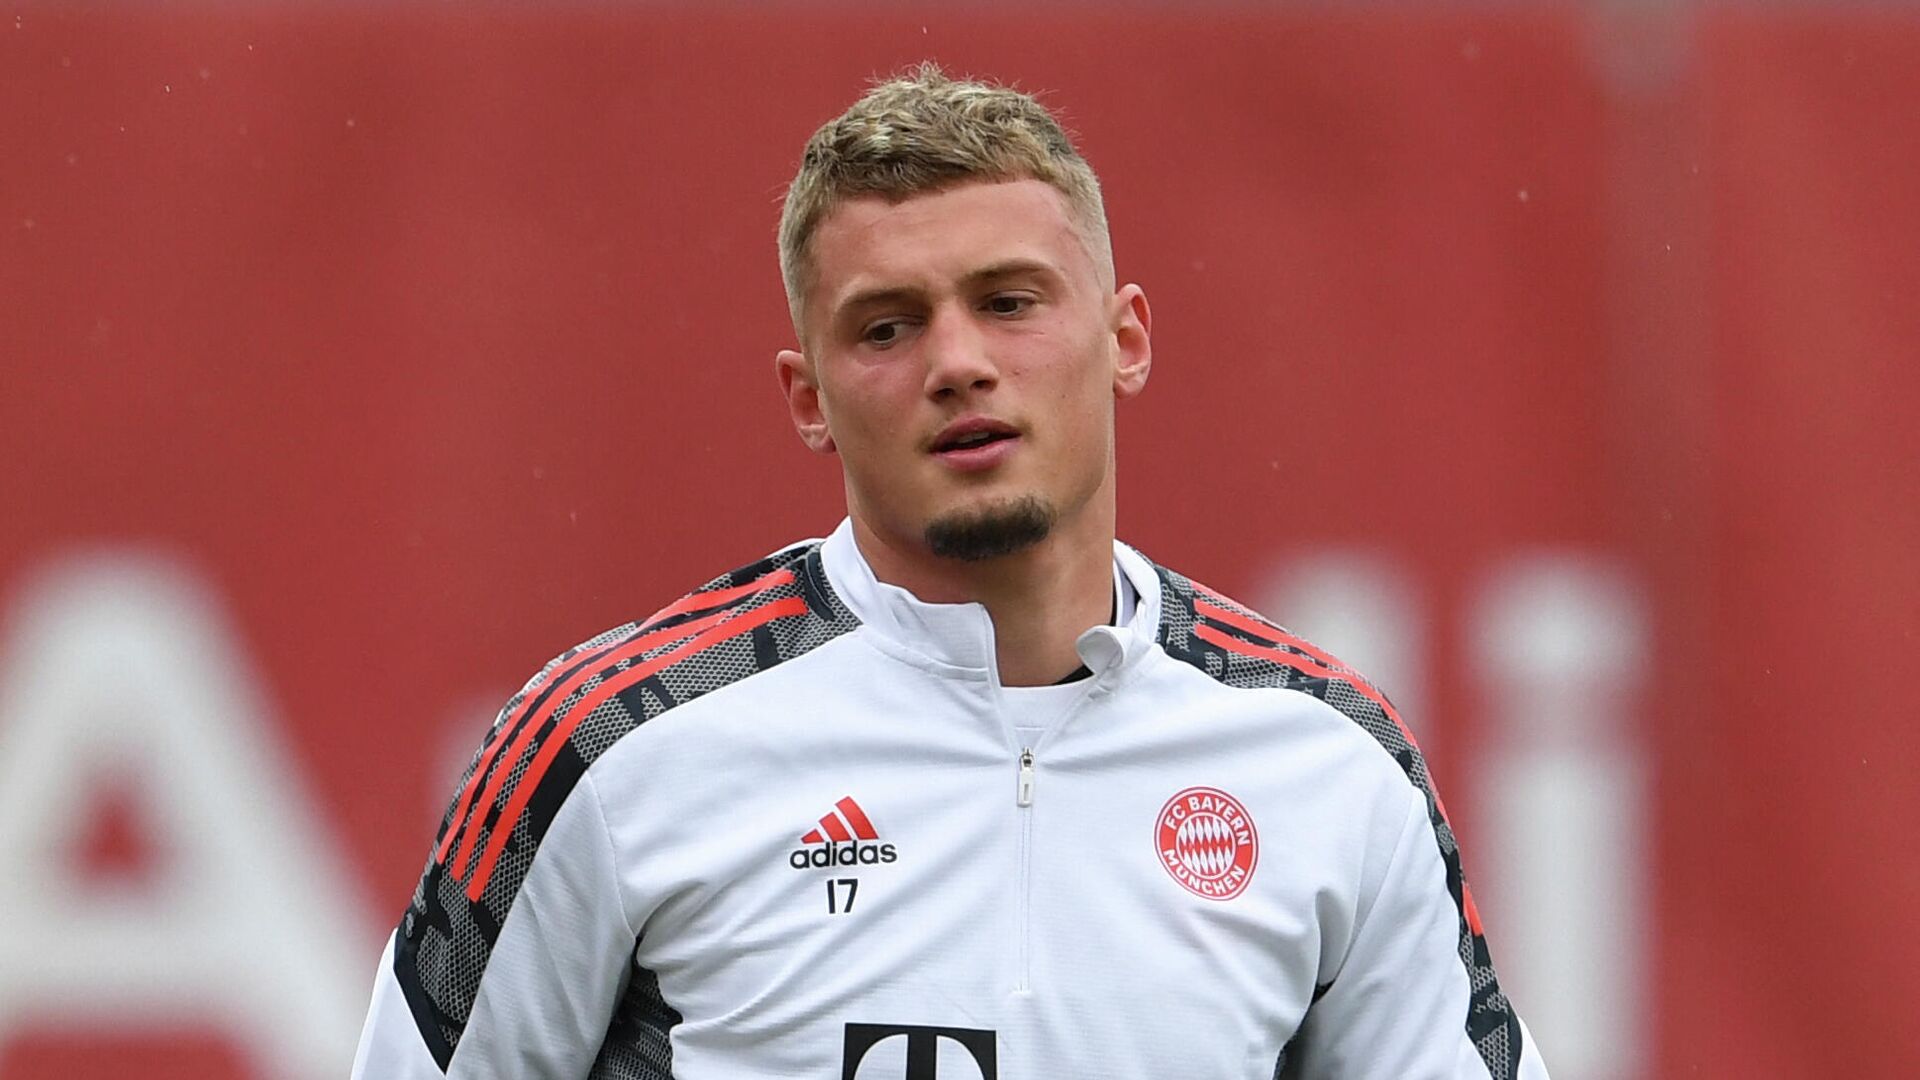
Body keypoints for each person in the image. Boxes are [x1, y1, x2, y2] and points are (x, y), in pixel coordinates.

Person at [352, 63, 1552, 1079]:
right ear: (808, 397)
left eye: (1009, 302)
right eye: (887, 326)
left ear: (1126, 336)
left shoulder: (1329, 761)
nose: (959, 363)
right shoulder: (611, 744)